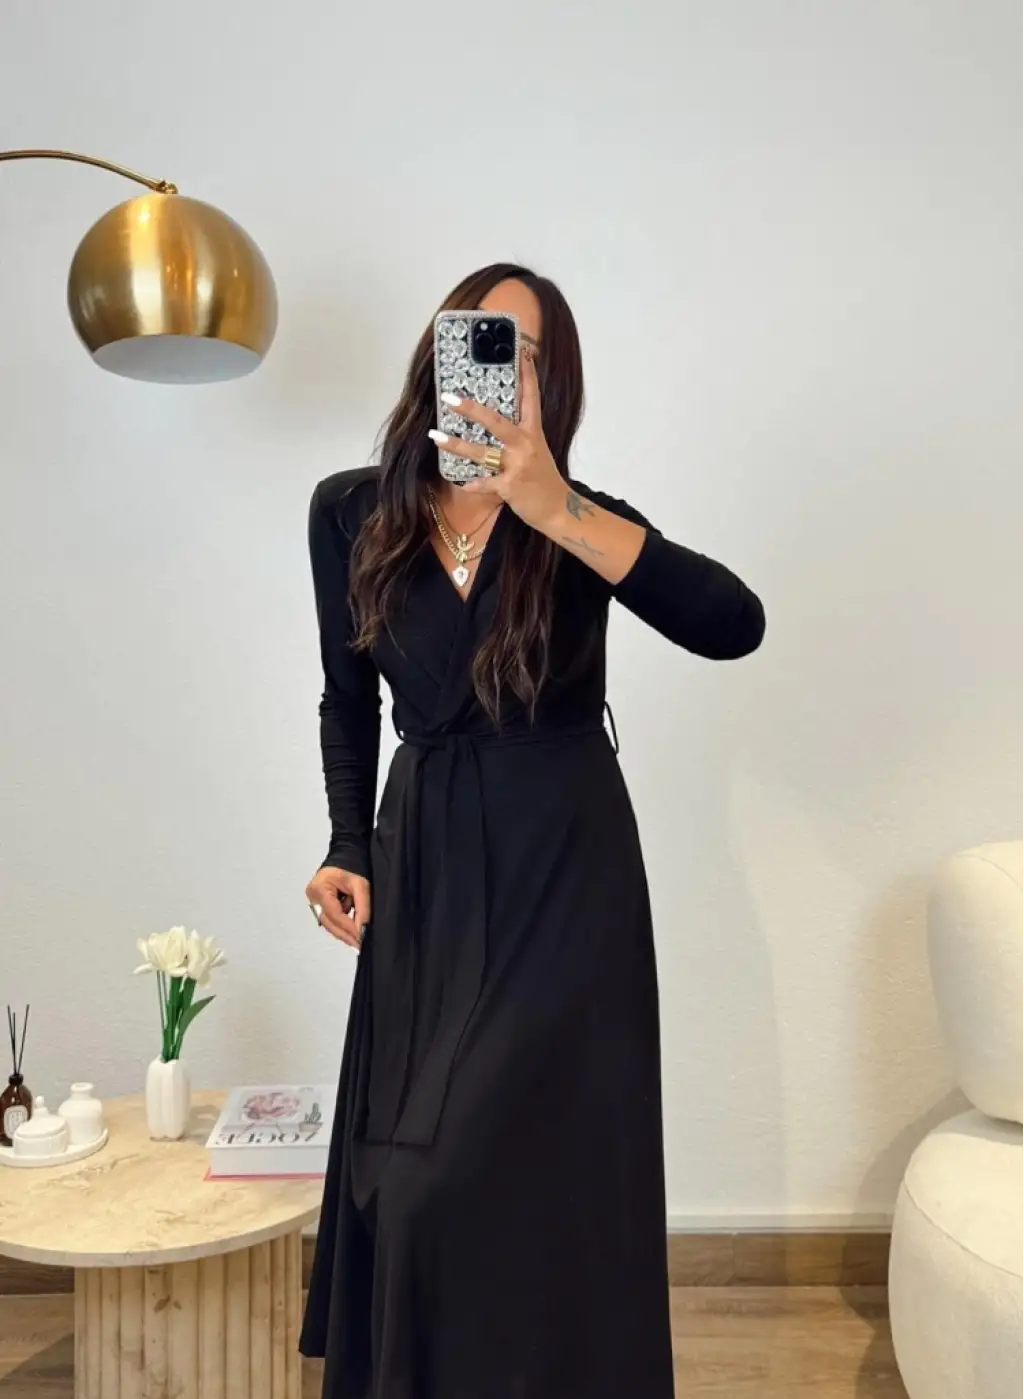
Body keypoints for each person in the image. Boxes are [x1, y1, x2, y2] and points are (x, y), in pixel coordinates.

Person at [299, 263, 765, 1399]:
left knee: (537, 1170)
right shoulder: (350, 510)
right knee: (408, 1176)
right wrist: (346, 844)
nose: (501, 370)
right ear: (438, 353)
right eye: (481, 340)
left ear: (554, 387)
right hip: (426, 862)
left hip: (565, 868)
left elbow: (733, 623)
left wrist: (556, 509)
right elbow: (345, 698)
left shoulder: (580, 518)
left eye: (531, 355)